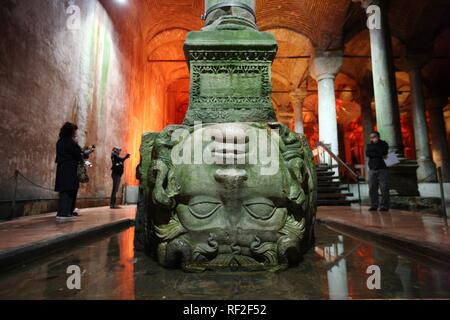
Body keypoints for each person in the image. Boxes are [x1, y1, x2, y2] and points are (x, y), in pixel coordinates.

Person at [55, 123, 92, 222]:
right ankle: (64, 213)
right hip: (69, 169)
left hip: (62, 168)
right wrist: (86, 154)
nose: (75, 133)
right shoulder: (70, 142)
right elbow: (79, 155)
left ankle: (65, 212)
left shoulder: (60, 142)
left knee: (64, 190)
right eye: (74, 131)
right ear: (70, 131)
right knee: (69, 190)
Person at [366, 131, 390, 212]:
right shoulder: (369, 145)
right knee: (372, 188)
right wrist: (378, 153)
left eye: (374, 136)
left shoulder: (383, 144)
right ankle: (374, 205)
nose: (372, 138)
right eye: (371, 137)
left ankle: (384, 206)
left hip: (383, 168)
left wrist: (375, 151)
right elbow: (368, 153)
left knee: (384, 188)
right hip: (372, 169)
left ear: (378, 136)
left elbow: (384, 152)